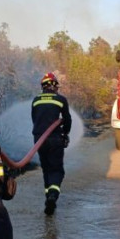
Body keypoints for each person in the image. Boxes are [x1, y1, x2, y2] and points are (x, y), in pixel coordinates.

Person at [32, 72, 72, 215]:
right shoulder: (60, 99)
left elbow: (35, 120)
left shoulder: (36, 100)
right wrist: (65, 133)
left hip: (39, 140)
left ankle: (48, 196)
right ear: (54, 85)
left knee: (46, 169)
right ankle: (53, 196)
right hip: (55, 139)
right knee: (56, 170)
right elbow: (67, 119)